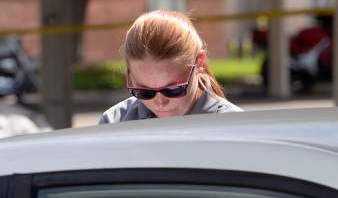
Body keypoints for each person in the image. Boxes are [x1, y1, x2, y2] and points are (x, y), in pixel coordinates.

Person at [99, 10, 242, 124]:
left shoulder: (234, 127)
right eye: (144, 92)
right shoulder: (115, 123)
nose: (160, 103)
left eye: (173, 90)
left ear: (199, 63)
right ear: (128, 75)